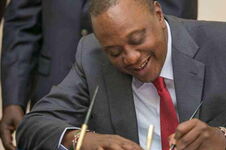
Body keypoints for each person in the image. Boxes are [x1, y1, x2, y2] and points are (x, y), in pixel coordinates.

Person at [16, 0, 226, 149]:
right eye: (114, 52)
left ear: (158, 13)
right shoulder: (92, 55)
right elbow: (34, 126)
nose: (131, 57)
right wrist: (84, 141)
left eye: (138, 39)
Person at [0, 0, 198, 149]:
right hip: (55, 83)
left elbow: (174, 19)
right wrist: (13, 99)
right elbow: (22, 24)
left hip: (136, 87)